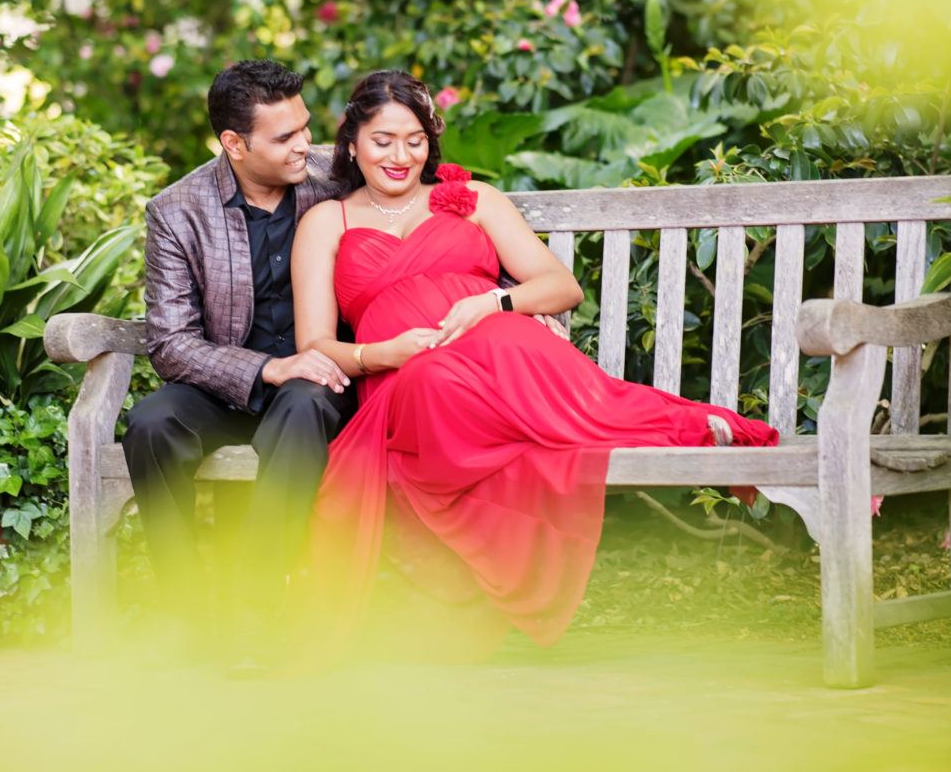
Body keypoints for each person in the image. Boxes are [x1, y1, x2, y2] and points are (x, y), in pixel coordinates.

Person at [287, 70, 780, 661]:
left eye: (414, 140)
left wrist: (492, 300)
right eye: (383, 141)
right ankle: (464, 604)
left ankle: (692, 426)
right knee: (434, 376)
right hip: (406, 377)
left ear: (431, 142)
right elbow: (315, 342)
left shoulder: (473, 200)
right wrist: (379, 355)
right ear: (351, 143)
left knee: (509, 351)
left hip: (498, 343)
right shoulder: (326, 223)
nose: (400, 156)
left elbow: (560, 286)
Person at [121, 60, 355, 667]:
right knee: (150, 422)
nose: (306, 143)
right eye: (285, 137)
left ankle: (254, 610)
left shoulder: (336, 178)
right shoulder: (178, 211)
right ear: (234, 143)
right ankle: (187, 614)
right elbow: (171, 344)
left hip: (319, 383)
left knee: (304, 401)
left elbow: (424, 216)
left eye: (305, 126)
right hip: (226, 387)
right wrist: (267, 369)